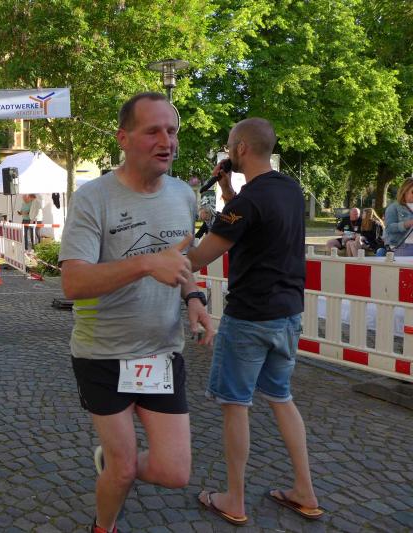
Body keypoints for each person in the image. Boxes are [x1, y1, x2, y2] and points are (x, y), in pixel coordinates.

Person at [59, 92, 214, 533]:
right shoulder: (93, 198)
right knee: (124, 470)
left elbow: (179, 263)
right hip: (103, 354)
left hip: (160, 352)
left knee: (174, 472)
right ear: (123, 138)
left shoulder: (183, 194)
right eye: (153, 131)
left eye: (172, 131)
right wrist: (146, 263)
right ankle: (103, 525)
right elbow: (73, 283)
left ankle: (112, 465)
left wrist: (194, 297)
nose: (167, 141)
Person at [188, 118, 322, 526]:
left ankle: (234, 499)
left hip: (248, 317)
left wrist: (169, 252)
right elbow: (254, 225)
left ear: (242, 148)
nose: (228, 152)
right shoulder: (289, 189)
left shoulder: (247, 203)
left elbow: (200, 257)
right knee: (281, 397)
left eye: (230, 145)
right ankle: (305, 490)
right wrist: (229, 192)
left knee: (235, 405)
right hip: (288, 314)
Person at [383, 178, 413, 256]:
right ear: (405, 191)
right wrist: (408, 223)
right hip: (402, 247)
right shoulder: (393, 207)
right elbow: (389, 228)